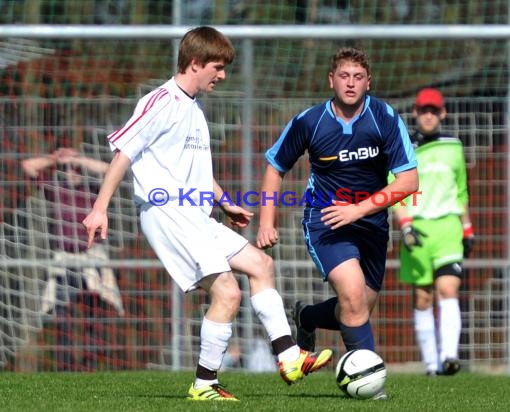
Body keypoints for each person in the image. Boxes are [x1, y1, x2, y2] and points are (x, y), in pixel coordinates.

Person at [82, 26, 332, 401]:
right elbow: (124, 154)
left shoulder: (194, 107)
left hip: (196, 215)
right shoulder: (161, 100)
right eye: (217, 66)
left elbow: (194, 171)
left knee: (261, 265)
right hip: (167, 213)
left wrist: (225, 201)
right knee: (228, 292)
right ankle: (204, 385)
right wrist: (99, 209)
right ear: (195, 63)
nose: (223, 75)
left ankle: (289, 356)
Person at [256, 46, 418, 397]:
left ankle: (309, 318)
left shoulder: (385, 118)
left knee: (356, 307)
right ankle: (370, 385)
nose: (350, 83)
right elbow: (275, 166)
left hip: (372, 226)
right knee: (354, 296)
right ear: (331, 80)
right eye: (344, 76)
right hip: (326, 221)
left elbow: (409, 181)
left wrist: (359, 210)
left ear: (368, 82)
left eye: (358, 77)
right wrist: (266, 221)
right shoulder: (310, 121)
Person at [391, 88, 474, 376]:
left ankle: (450, 356)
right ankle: (431, 365)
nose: (428, 115)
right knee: (423, 296)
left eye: (434, 110)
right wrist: (406, 226)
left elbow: (461, 190)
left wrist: (467, 228)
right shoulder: (404, 148)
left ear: (442, 113)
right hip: (418, 229)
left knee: (448, 289)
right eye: (423, 110)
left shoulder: (454, 146)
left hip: (448, 227)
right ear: (415, 113)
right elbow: (397, 191)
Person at [21, 147, 125, 370]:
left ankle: (92, 365)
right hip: (65, 259)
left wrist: (80, 159)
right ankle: (64, 366)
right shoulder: (55, 188)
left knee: (95, 314)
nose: (73, 170)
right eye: (68, 167)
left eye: (76, 166)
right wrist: (55, 158)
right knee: (62, 315)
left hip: (91, 257)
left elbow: (111, 169)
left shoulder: (94, 188)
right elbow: (28, 165)